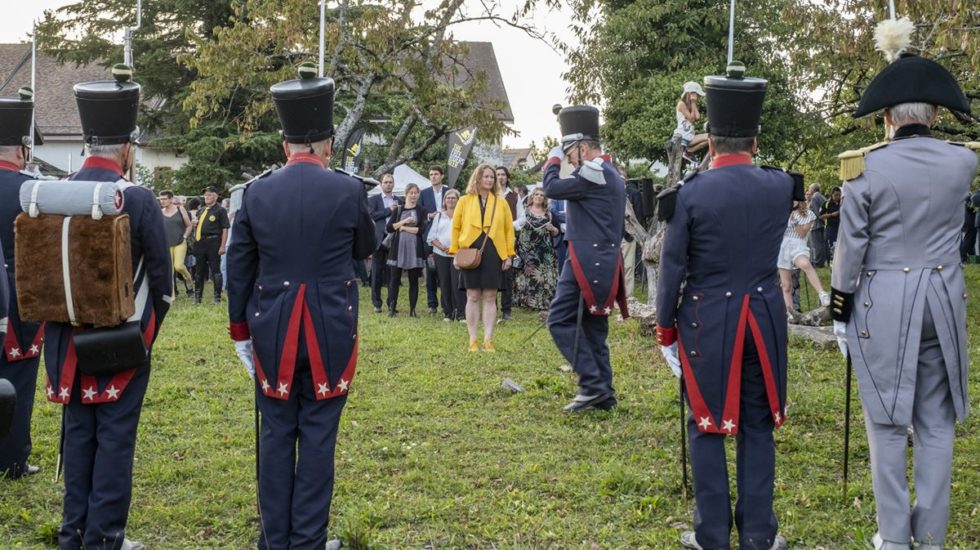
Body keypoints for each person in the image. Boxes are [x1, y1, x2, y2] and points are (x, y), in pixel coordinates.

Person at [830, 39, 977, 550]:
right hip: (943, 298)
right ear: (935, 114)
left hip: (884, 302)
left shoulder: (864, 168)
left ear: (888, 118)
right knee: (937, 425)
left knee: (888, 425)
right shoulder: (963, 163)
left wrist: (838, 310)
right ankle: (930, 538)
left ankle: (894, 539)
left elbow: (850, 250)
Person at [227, 63, 375, 550]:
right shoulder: (351, 189)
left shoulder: (256, 192)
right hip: (332, 326)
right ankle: (309, 540)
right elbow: (364, 250)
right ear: (327, 143)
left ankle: (274, 540)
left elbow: (240, 270)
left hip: (270, 328)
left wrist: (238, 333)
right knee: (317, 436)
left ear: (285, 145)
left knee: (274, 434)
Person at [656, 64, 797, 550]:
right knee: (757, 424)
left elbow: (672, 269)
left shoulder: (689, 194)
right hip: (763, 319)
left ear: (710, 142)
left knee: (707, 424)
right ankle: (759, 533)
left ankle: (712, 534)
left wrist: (664, 330)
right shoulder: (782, 187)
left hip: (707, 320)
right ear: (755, 142)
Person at [43, 65, 172, 550]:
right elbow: (161, 285)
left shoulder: (49, 193)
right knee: (115, 441)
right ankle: (104, 538)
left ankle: (72, 531)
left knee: (77, 437)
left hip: (64, 344)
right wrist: (141, 340)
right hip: (121, 341)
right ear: (125, 149)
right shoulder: (136, 199)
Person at [543, 105, 629, 412]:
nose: (568, 159)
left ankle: (592, 384)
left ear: (582, 147)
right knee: (593, 328)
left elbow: (551, 187)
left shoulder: (592, 172)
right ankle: (603, 393)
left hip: (585, 258)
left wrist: (552, 158)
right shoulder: (609, 172)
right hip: (601, 259)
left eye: (570, 152)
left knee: (558, 320)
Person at [0, 87, 43, 479]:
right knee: (17, 380)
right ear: (22, 150)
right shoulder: (31, 190)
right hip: (18, 299)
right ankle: (13, 457)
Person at [450, 164, 515, 352]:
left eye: (492, 177)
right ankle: (472, 339)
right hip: (470, 249)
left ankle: (488, 339)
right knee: (472, 295)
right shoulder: (464, 200)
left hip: (494, 250)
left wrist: (509, 254)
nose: (489, 180)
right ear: (477, 178)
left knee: (490, 296)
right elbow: (456, 227)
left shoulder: (501, 202)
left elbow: (508, 230)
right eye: (486, 176)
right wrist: (455, 253)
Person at [778, 200, 829, 312]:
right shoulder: (781, 211)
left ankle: (822, 294)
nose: (792, 201)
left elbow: (802, 233)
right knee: (786, 285)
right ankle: (790, 313)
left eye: (795, 198)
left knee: (805, 264)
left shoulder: (808, 214)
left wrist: (793, 220)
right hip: (782, 247)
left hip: (798, 245)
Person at [386, 183, 429, 317]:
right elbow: (389, 227)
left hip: (414, 249)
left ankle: (412, 310)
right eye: (411, 192)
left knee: (413, 280)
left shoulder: (422, 210)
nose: (413, 195)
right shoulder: (398, 210)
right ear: (406, 194)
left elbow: (421, 230)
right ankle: (392, 308)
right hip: (397, 248)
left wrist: (404, 228)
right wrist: (404, 222)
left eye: (416, 193)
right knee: (394, 279)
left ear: (418, 195)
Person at [513, 187, 560, 310]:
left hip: (545, 251)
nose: (539, 197)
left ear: (544, 199)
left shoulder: (549, 213)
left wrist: (553, 229)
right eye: (537, 194)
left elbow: (557, 232)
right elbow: (516, 226)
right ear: (532, 196)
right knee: (529, 275)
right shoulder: (524, 211)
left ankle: (543, 302)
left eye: (542, 195)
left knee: (544, 276)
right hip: (527, 249)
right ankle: (527, 303)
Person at [426, 189, 464, 320]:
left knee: (457, 283)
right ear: (444, 201)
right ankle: (448, 312)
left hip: (458, 254)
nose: (451, 200)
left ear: (458, 200)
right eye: (448, 198)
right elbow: (431, 237)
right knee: (444, 282)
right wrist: (442, 248)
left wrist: (456, 247)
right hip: (441, 254)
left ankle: (460, 313)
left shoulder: (463, 215)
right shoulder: (439, 216)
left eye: (453, 198)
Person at [192, 186, 229, 304]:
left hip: (214, 242)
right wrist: (195, 224)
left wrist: (223, 246)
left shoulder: (220, 210)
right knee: (199, 270)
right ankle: (198, 297)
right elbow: (198, 226)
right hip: (200, 242)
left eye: (209, 195)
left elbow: (225, 229)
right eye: (205, 195)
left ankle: (217, 297)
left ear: (216, 196)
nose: (207, 197)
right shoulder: (201, 210)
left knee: (215, 270)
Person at [368, 173, 400, 313]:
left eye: (390, 182)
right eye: (385, 182)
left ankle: (391, 303)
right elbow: (371, 215)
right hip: (379, 239)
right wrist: (389, 210)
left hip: (394, 239)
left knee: (393, 273)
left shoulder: (399, 200)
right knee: (377, 272)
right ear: (381, 184)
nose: (388, 184)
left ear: (393, 184)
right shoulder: (373, 199)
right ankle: (377, 303)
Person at [419, 165, 447, 314]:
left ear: (442, 176)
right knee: (430, 270)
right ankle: (432, 304)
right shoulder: (424, 193)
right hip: (429, 237)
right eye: (431, 174)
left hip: (446, 236)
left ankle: (446, 302)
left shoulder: (449, 192)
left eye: (436, 174)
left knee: (445, 272)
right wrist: (430, 215)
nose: (433, 176)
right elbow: (419, 212)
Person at [159, 190, 194, 298]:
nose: (162, 201)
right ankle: (172, 296)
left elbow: (189, 226)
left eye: (164, 199)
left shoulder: (180, 209)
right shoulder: (160, 212)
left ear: (171, 199)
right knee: (170, 271)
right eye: (161, 199)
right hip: (166, 244)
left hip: (179, 242)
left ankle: (189, 279)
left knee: (178, 266)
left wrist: (184, 237)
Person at [497, 166, 519, 321]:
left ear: (507, 177)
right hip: (491, 240)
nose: (500, 177)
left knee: (507, 274)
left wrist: (509, 226)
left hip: (509, 240)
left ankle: (506, 309)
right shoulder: (490, 195)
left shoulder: (514, 196)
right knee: (490, 274)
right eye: (497, 174)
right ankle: (492, 306)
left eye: (503, 174)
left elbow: (522, 219)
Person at [673, 81, 708, 156]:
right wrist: (692, 102)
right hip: (683, 137)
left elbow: (697, 117)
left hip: (690, 136)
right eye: (697, 94)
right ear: (690, 93)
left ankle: (689, 152)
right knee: (710, 137)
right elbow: (691, 119)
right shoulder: (681, 104)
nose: (698, 97)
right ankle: (688, 152)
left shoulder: (691, 104)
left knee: (711, 138)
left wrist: (693, 103)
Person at [806, 184, 828, 267]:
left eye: (809, 188)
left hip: (815, 224)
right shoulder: (822, 196)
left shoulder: (814, 197)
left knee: (816, 245)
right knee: (821, 244)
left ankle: (818, 263)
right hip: (821, 224)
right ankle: (821, 261)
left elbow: (816, 212)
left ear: (813, 189)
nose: (809, 190)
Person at [820, 186, 841, 261]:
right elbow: (821, 216)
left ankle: (839, 261)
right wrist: (832, 214)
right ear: (832, 194)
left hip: (841, 228)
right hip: (830, 228)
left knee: (839, 246)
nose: (838, 197)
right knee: (830, 246)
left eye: (839, 195)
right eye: (836, 195)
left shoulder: (842, 203)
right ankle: (830, 261)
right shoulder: (826, 203)